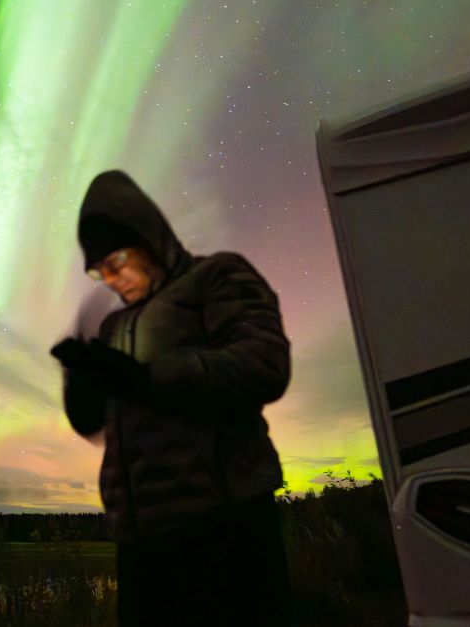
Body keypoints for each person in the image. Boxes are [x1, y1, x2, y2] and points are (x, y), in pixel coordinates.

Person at [51, 170, 292, 626]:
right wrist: (80, 379)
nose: (109, 277)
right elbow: (94, 422)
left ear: (148, 238)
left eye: (116, 260)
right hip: (140, 543)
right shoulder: (113, 328)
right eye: (98, 270)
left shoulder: (216, 277)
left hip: (224, 530)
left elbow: (264, 364)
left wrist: (146, 376)